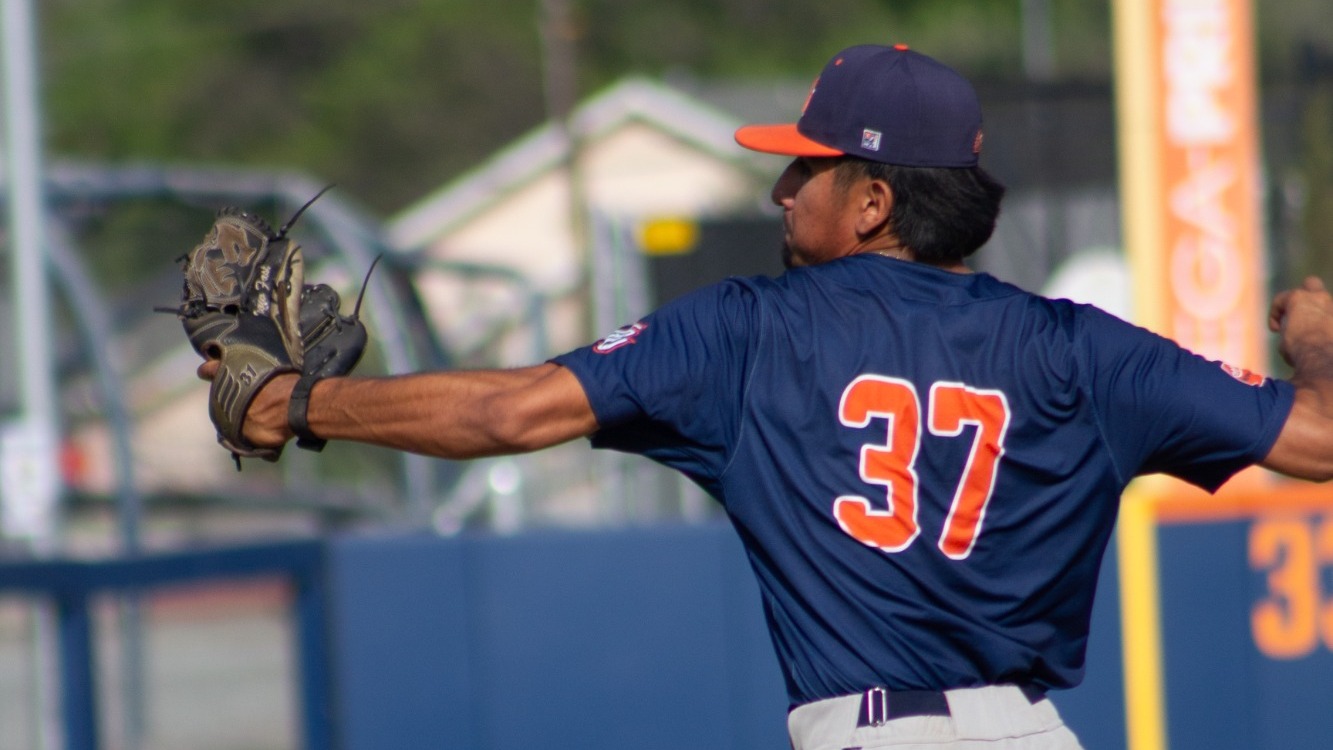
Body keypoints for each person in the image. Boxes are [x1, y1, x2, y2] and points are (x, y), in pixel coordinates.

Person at [201, 44, 1333, 749]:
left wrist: (291, 404)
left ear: (875, 200)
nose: (783, 186)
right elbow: (1318, 441)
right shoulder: (1084, 351)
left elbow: (506, 414)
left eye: (809, 166)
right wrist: (1320, 346)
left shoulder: (748, 330)